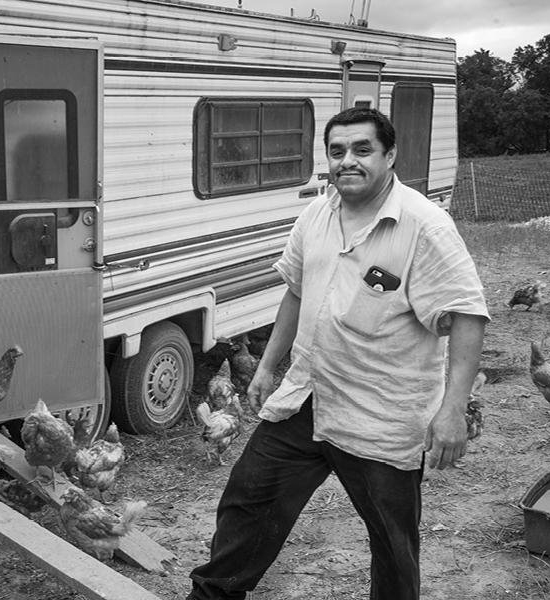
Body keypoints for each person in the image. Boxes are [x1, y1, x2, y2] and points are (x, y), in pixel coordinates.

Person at [185, 107, 490, 600]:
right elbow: (297, 291)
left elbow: (468, 315)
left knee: (392, 542)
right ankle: (213, 596)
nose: (348, 161)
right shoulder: (319, 212)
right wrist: (267, 367)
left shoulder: (424, 227)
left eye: (362, 149)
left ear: (390, 155)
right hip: (307, 397)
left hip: (379, 414)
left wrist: (453, 410)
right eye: (337, 151)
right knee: (248, 502)